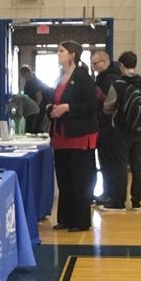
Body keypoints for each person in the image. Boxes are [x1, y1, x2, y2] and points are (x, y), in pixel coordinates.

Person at [47, 40, 98, 232]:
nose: (58, 54)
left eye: (62, 51)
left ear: (72, 55)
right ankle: (66, 218)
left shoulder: (83, 77)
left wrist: (68, 108)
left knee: (79, 178)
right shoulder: (60, 77)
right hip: (61, 134)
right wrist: (51, 108)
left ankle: (81, 220)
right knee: (64, 178)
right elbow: (53, 100)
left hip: (79, 135)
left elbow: (92, 106)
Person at [102, 51, 141, 212]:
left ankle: (118, 202)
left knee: (120, 166)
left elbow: (107, 107)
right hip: (139, 130)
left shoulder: (118, 84)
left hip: (122, 130)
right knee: (137, 165)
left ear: (121, 65)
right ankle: (137, 202)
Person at [90, 50, 121, 206]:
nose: (94, 66)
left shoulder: (108, 79)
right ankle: (108, 192)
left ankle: (111, 193)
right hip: (106, 125)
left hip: (109, 126)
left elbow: (108, 103)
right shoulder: (105, 77)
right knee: (106, 162)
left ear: (105, 62)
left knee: (108, 162)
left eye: (96, 63)